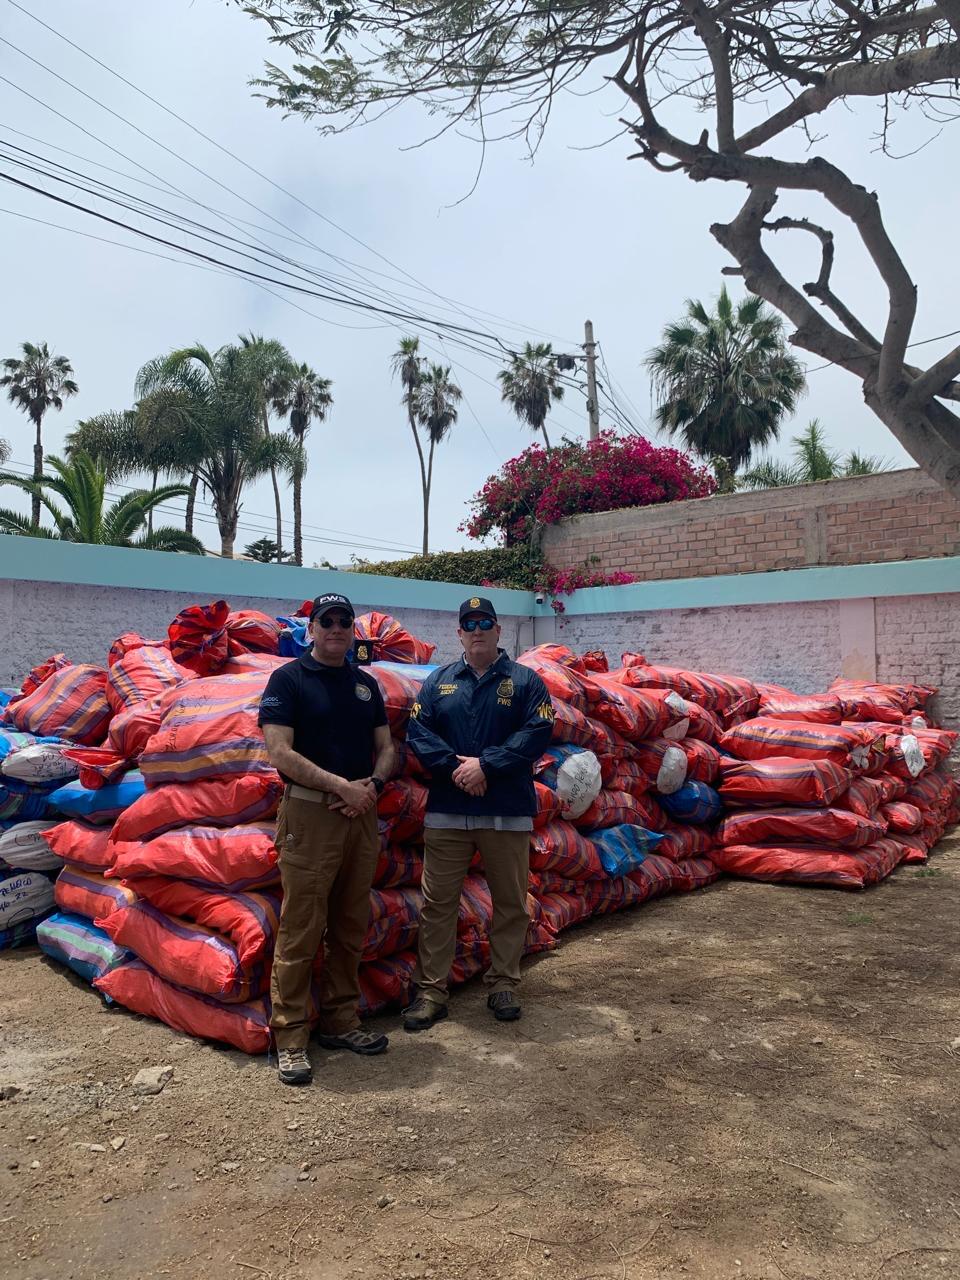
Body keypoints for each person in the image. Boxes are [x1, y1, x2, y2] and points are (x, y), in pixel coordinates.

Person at [258, 592, 395, 1086]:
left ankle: (341, 1021)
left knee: (350, 923)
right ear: (311, 629)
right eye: (327, 621)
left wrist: (372, 786)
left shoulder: (365, 685)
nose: (337, 628)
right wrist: (340, 786)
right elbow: (279, 751)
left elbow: (386, 747)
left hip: (361, 813)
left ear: (353, 630)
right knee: (302, 926)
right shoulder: (288, 680)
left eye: (344, 621)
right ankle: (291, 1037)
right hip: (310, 815)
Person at [402, 597, 554, 1030]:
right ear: (459, 634)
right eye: (469, 625)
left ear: (498, 630)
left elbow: (538, 731)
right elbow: (418, 732)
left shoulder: (525, 681)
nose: (477, 631)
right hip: (449, 812)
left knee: (510, 903)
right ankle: (431, 992)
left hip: (506, 811)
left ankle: (503, 983)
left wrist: (488, 765)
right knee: (438, 905)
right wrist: (460, 769)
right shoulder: (439, 682)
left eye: (485, 623)